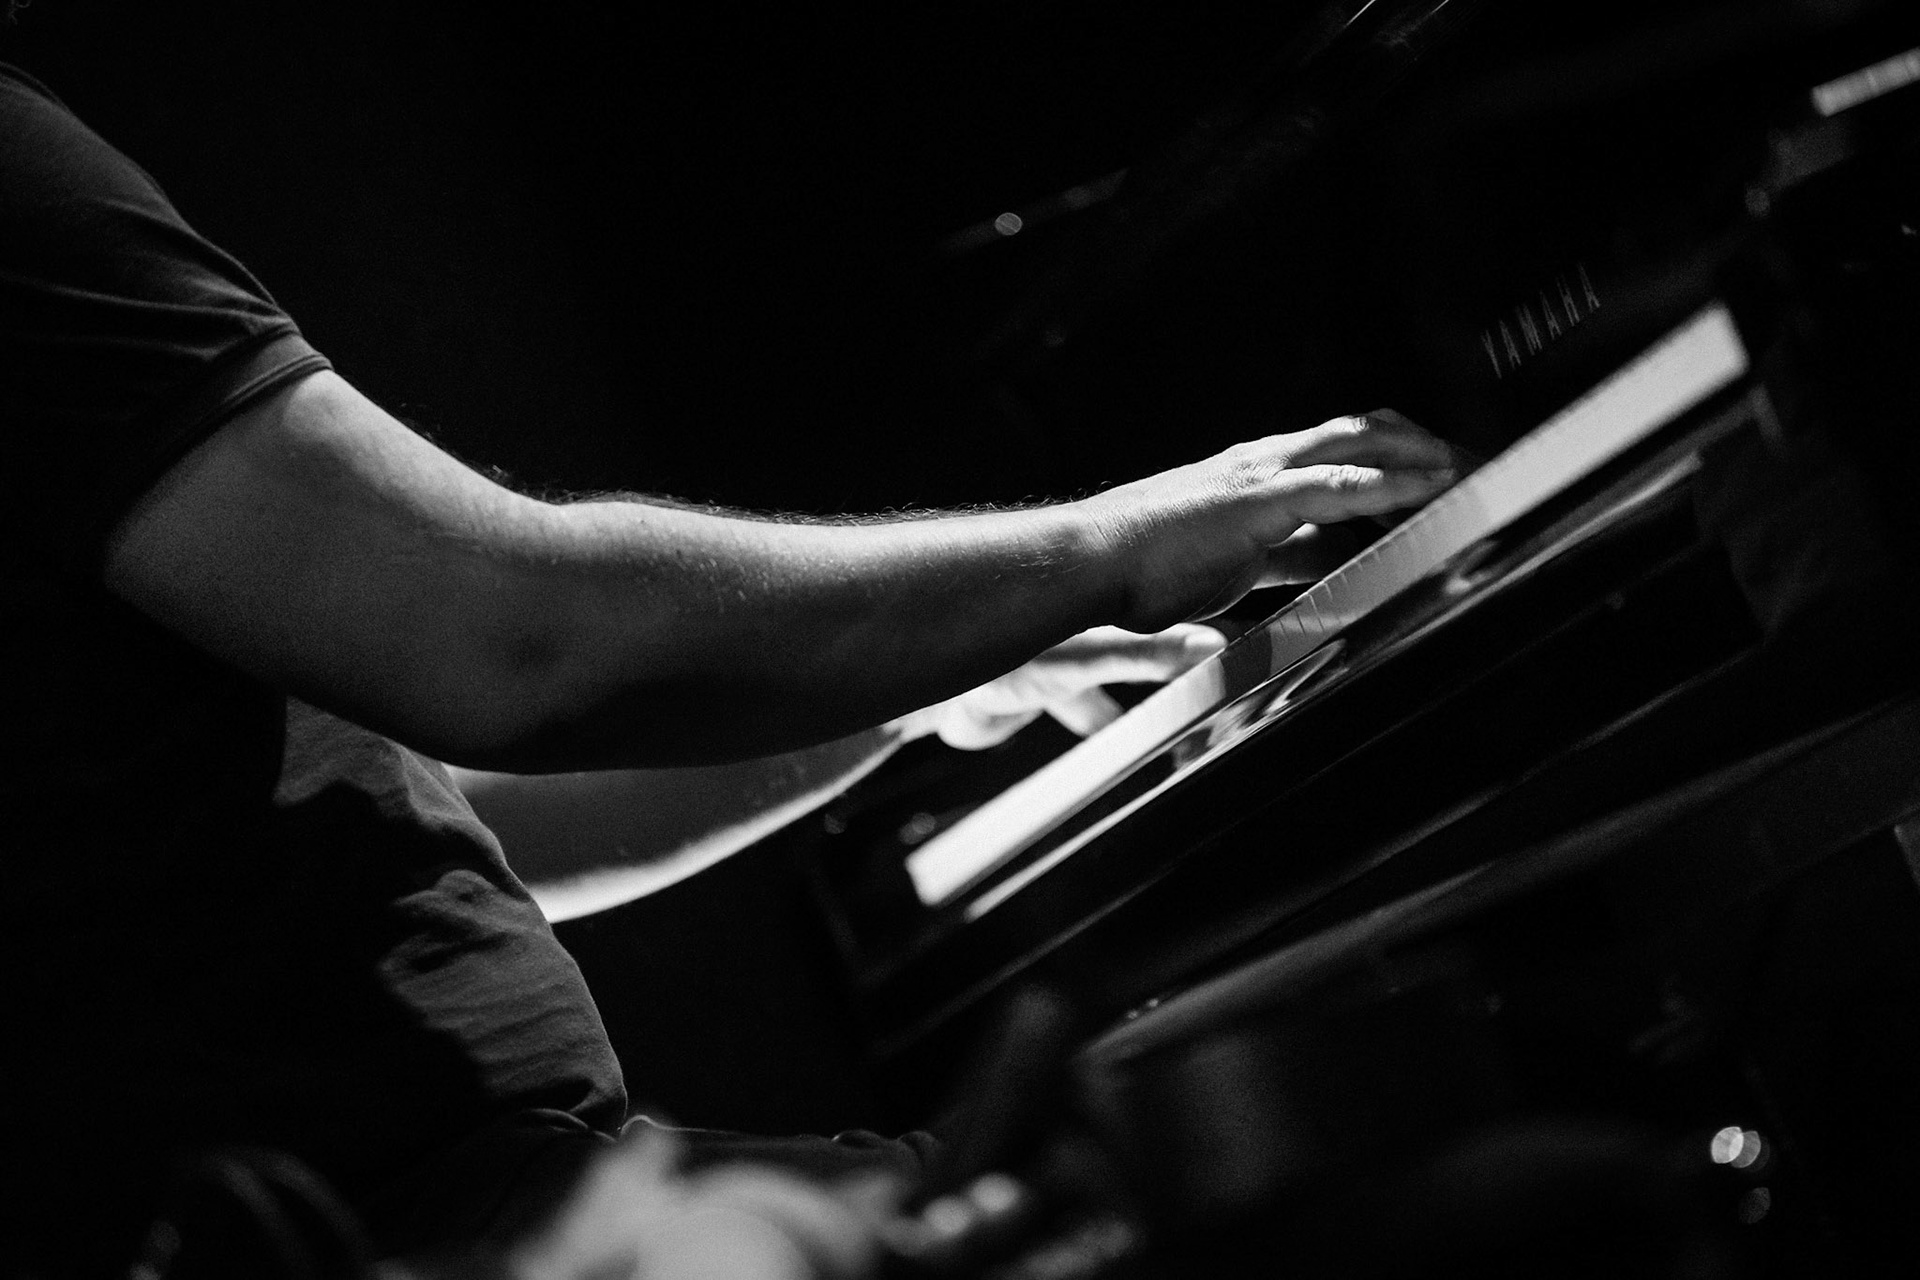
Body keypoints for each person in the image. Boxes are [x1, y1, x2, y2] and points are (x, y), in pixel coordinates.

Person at [0, 42, 1457, 1280]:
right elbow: (513, 639)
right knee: (1370, 1189)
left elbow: (445, 811)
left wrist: (897, 683)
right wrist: (1113, 540)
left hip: (482, 1207)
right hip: (442, 1230)